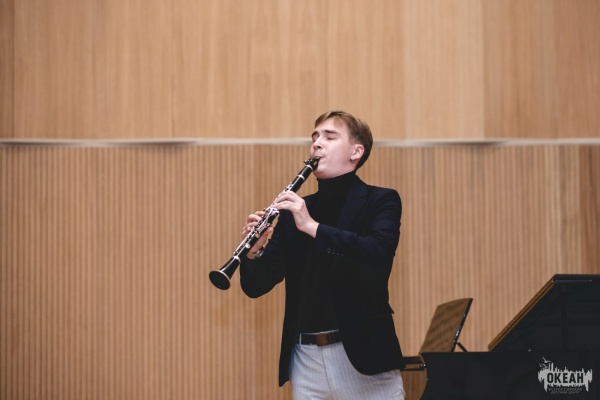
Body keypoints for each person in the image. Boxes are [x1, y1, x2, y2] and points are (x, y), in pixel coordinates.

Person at [240, 110, 405, 399]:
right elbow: (256, 286)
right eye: (315, 137)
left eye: (329, 136)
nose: (316, 143)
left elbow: (377, 251)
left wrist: (312, 227)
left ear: (356, 152)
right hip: (306, 359)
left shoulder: (381, 200)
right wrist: (254, 253)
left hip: (364, 356)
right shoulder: (295, 212)